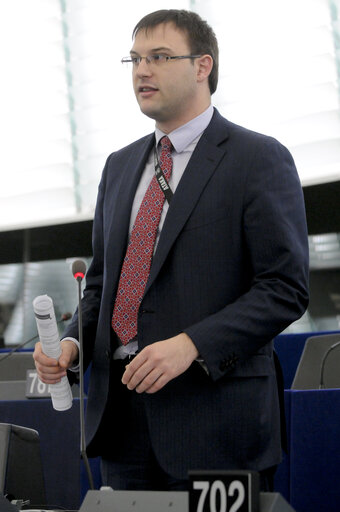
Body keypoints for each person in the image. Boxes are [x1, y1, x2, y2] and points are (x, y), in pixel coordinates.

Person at [33, 9, 309, 492]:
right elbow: (100, 285)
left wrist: (192, 345)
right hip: (121, 428)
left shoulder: (257, 158)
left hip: (217, 425)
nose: (142, 70)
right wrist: (73, 344)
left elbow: (284, 288)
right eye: (135, 59)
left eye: (159, 57)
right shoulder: (119, 168)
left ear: (203, 67)